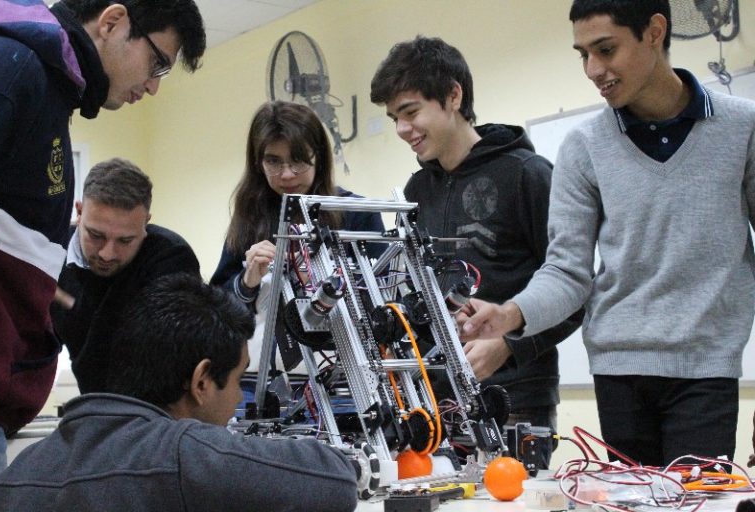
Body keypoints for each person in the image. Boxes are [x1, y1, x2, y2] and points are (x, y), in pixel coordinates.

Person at [459, 0, 755, 467]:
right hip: (618, 373)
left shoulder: (742, 127)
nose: (593, 69)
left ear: (654, 32)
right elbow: (568, 270)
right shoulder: (584, 146)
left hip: (706, 370)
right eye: (583, 54)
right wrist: (511, 314)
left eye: (606, 49)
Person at [0, 0, 205, 479]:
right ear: (112, 22)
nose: (152, 87)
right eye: (157, 64)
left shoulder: (45, 95)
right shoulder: (11, 69)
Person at [369, 35, 583, 468]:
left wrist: (509, 344)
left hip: (517, 399)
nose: (401, 130)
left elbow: (576, 291)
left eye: (410, 112)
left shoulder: (528, 174)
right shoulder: (414, 192)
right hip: (436, 401)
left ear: (453, 95)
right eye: (394, 117)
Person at [0, 273, 359, 512]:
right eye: (237, 380)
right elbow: (335, 483)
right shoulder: (181, 453)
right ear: (201, 382)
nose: (236, 401)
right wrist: (357, 463)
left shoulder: (21, 470)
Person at [211, 100, 385, 370]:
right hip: (261, 378)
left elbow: (383, 297)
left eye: (298, 160)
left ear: (319, 156)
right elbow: (219, 308)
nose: (287, 174)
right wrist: (247, 282)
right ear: (258, 162)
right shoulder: (249, 218)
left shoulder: (355, 213)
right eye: (274, 161)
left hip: (345, 379)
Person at [51, 158, 201, 394]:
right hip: (93, 406)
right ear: (79, 212)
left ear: (146, 223)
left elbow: (167, 359)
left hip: (158, 411)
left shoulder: (171, 258)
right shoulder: (50, 253)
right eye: (96, 235)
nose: (107, 254)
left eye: (125, 240)